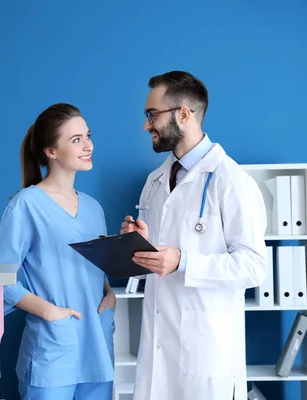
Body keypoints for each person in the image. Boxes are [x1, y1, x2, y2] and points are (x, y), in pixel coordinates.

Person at [120, 71, 268, 400]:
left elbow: (254, 267)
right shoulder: (155, 181)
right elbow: (157, 259)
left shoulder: (231, 181)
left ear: (183, 114)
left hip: (206, 355)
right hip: (158, 348)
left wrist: (183, 262)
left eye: (152, 115)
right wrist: (137, 243)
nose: (146, 125)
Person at [0, 103, 116, 400]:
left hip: (97, 346)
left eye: (87, 136)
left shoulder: (94, 208)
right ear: (51, 151)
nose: (88, 146)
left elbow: (91, 267)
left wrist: (108, 292)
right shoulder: (26, 205)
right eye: (76, 140)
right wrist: (49, 312)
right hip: (54, 349)